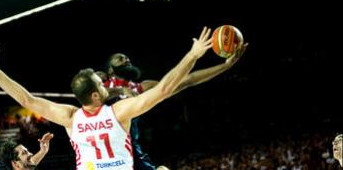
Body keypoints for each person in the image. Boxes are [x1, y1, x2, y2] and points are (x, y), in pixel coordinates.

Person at [0, 26, 220, 170]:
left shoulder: (70, 118)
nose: (105, 85)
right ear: (94, 94)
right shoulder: (119, 112)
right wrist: (193, 55)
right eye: (101, 85)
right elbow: (166, 88)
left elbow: (26, 100)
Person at [102, 41, 247, 170]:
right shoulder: (100, 82)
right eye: (120, 58)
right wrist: (119, 90)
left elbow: (188, 80)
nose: (126, 59)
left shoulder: (141, 88)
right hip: (101, 154)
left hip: (131, 151)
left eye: (127, 58)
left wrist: (226, 66)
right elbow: (85, 95)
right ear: (110, 69)